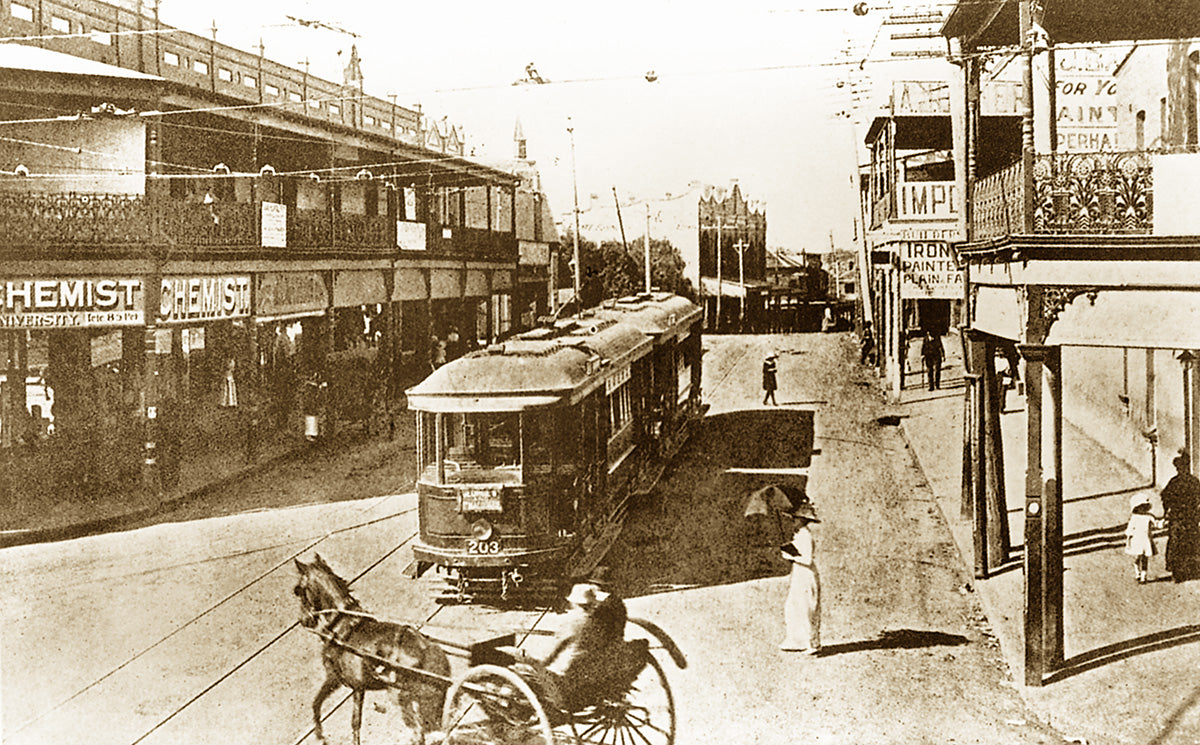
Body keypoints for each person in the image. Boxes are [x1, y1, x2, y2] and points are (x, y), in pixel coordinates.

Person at [779, 501, 821, 654]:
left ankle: (812, 643)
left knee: (806, 608)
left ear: (802, 519)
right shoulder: (798, 534)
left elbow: (807, 559)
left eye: (795, 518)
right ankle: (796, 640)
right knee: (793, 606)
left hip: (806, 574)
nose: (792, 520)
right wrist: (789, 549)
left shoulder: (805, 535)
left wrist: (791, 556)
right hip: (799, 574)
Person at [1161, 451, 1200, 582]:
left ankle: (1177, 573)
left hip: (1177, 517)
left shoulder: (1174, 481)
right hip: (1191, 517)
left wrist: (1166, 511)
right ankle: (1191, 570)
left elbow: (1165, 496)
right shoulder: (1194, 481)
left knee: (1176, 542)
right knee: (1190, 541)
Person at [1125, 493, 1159, 584]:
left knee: (1145, 559)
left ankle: (1144, 576)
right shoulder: (1134, 518)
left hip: (1146, 541)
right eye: (1140, 507)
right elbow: (1130, 530)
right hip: (1137, 540)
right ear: (1136, 508)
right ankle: (1137, 572)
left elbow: (1156, 524)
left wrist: (1161, 523)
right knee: (1137, 558)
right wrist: (1128, 541)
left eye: (1144, 506)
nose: (1143, 509)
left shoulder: (1149, 517)